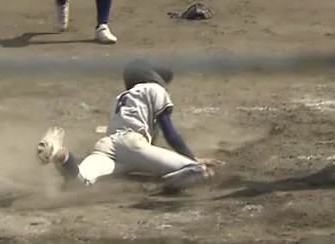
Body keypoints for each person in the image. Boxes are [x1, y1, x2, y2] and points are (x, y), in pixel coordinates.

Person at [36, 63, 220, 193]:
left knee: (80, 181)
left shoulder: (121, 97)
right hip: (133, 145)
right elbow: (169, 132)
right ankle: (165, 185)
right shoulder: (154, 89)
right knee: (201, 170)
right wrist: (192, 157)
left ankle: (61, 155)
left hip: (106, 146)